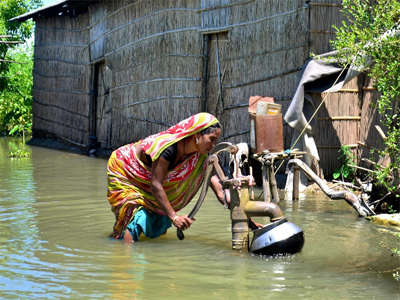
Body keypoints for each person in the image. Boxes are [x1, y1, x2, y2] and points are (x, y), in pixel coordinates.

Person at [107, 112, 228, 243]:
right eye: (212, 139)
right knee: (137, 216)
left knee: (162, 210)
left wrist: (249, 221)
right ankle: (124, 255)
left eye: (216, 140)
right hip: (125, 170)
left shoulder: (199, 158)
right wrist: (175, 218)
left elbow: (221, 193)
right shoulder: (169, 148)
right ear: (198, 134)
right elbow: (155, 185)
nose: (214, 145)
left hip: (150, 180)